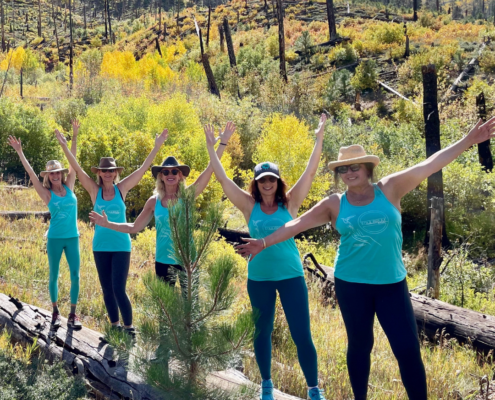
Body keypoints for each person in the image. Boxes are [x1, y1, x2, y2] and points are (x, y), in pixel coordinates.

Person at [235, 118, 495, 400]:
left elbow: (430, 164)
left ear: (368, 168)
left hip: (391, 284)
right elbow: (293, 225)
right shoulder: (335, 203)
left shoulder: (391, 188)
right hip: (351, 285)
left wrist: (468, 141)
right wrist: (262, 242)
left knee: (407, 348)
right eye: (343, 168)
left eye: (354, 166)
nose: (349, 172)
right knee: (360, 347)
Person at [203, 115, 328, 400]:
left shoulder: (291, 202)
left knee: (301, 334)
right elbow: (221, 177)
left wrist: (318, 138)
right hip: (258, 277)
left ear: (278, 181)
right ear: (256, 184)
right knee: (262, 331)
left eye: (271, 179)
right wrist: (215, 146)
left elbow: (310, 172)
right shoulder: (249, 206)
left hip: (291, 276)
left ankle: (313, 389)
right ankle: (267, 385)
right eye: (262, 180)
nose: (267, 184)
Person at [88, 122, 236, 289]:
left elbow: (210, 170)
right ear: (161, 177)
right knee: (166, 311)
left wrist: (222, 144)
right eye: (166, 172)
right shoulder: (153, 201)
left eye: (174, 171)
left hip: (187, 261)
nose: (170, 174)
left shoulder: (187, 196)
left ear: (180, 176)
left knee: (190, 311)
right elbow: (134, 227)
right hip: (162, 262)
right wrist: (108, 224)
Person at [56, 128, 168, 336]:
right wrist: (65, 144)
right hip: (100, 247)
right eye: (104, 170)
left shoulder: (122, 189)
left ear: (116, 173)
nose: (108, 173)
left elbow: (143, 169)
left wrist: (157, 146)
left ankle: (129, 328)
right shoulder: (94, 190)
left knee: (119, 289)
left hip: (121, 246)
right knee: (106, 289)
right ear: (98, 173)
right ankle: (115, 326)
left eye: (111, 171)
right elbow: (77, 169)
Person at [8, 120, 82, 330]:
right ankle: (55, 312)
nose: (56, 176)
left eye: (58, 172)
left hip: (73, 237)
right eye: (53, 174)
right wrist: (20, 152)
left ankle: (73, 314)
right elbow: (31, 174)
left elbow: (74, 162)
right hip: (55, 238)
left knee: (76, 274)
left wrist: (74, 137)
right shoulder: (46, 193)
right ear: (49, 176)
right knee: (54, 275)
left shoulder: (69, 186)